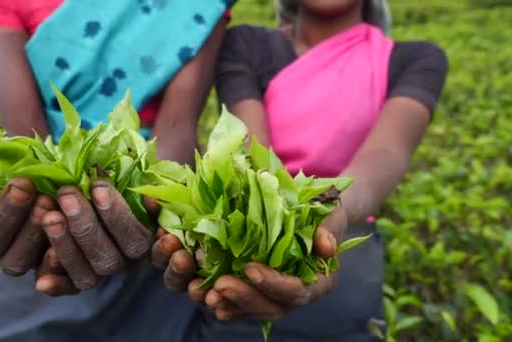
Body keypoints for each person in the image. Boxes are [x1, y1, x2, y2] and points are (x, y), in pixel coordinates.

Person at [0, 0, 238, 341]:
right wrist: (51, 199)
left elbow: (176, 130)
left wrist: (144, 203)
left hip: (151, 218)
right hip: (42, 230)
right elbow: (27, 140)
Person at [151, 0, 448, 340]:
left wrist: (331, 213)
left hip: (346, 248)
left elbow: (386, 152)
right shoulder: (247, 44)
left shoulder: (415, 59)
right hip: (251, 239)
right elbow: (253, 151)